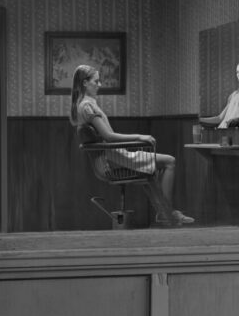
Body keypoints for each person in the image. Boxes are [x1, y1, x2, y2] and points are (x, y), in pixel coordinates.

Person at [70, 64, 194, 226]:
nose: (99, 85)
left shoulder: (85, 105)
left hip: (110, 156)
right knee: (169, 161)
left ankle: (165, 212)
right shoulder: (86, 106)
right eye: (96, 81)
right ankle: (167, 213)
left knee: (150, 173)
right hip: (111, 157)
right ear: (85, 83)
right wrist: (140, 136)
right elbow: (109, 136)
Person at [199, 59, 239, 129]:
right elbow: (220, 118)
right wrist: (199, 119)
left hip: (238, 133)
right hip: (222, 131)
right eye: (237, 72)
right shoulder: (234, 95)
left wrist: (237, 119)